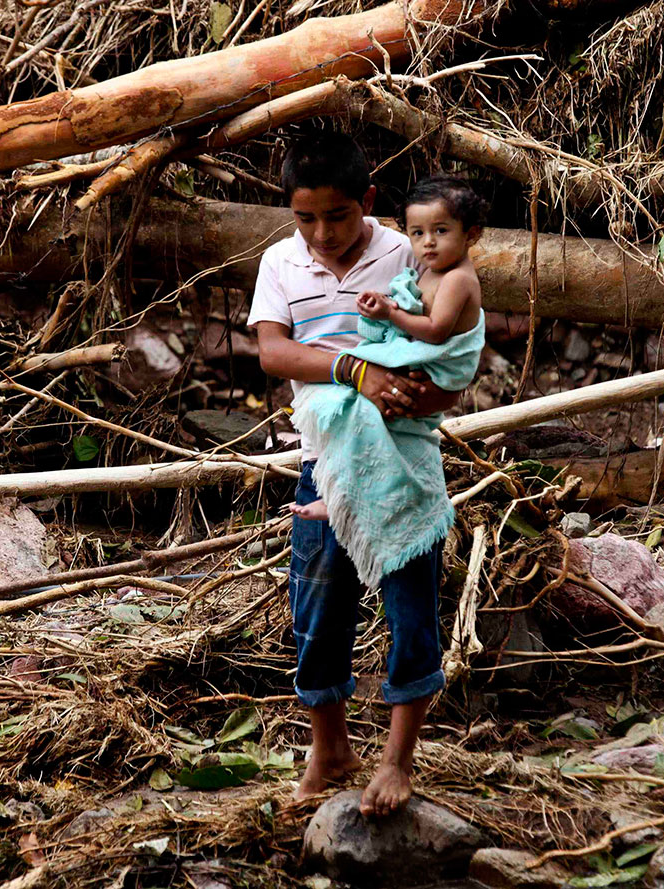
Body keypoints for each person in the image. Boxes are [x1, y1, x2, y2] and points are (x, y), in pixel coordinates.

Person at [248, 132, 463, 817]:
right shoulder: (281, 262)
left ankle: (398, 759)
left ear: (368, 202)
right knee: (318, 607)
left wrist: (427, 394)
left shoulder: (406, 251)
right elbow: (274, 353)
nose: (321, 233)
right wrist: (353, 370)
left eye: (337, 216)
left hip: (401, 456)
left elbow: (450, 335)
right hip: (322, 465)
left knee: (409, 602)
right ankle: (329, 749)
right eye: (305, 218)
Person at [290, 175, 486, 523]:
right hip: (422, 364)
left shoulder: (457, 278)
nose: (428, 243)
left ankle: (343, 499)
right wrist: (386, 303)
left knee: (364, 415)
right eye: (417, 233)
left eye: (441, 231)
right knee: (365, 416)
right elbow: (416, 307)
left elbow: (436, 332)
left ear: (471, 233)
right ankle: (347, 495)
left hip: (438, 370)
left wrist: (391, 313)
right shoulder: (433, 271)